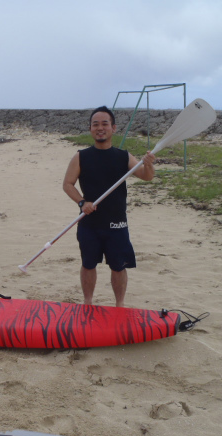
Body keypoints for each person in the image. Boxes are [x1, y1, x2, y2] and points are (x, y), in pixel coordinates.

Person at [63, 106, 156, 307]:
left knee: (118, 266)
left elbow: (147, 177)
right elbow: (67, 184)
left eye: (105, 124)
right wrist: (82, 202)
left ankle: (119, 305)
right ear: (90, 129)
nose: (100, 128)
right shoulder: (81, 156)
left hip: (117, 224)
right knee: (88, 265)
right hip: (89, 223)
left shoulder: (123, 156)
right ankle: (88, 302)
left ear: (113, 128)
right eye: (95, 124)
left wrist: (148, 163)